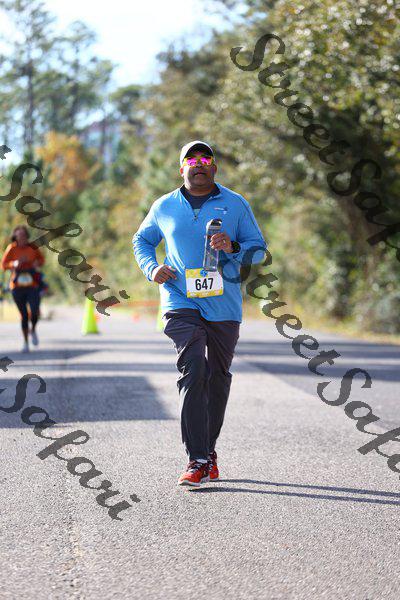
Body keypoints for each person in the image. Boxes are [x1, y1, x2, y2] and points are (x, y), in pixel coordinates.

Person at [132, 140, 267, 487]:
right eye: (191, 160)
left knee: (218, 376)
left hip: (224, 304)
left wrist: (233, 246)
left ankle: (208, 450)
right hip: (180, 299)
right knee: (193, 368)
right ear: (182, 169)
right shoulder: (164, 206)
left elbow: (258, 250)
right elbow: (141, 240)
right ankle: (197, 459)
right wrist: (152, 268)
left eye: (205, 159)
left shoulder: (235, 204)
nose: (199, 164)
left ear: (214, 168)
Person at [1, 225, 45, 352]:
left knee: (35, 311)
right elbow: (3, 265)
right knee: (24, 315)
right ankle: (26, 342)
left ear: (27, 236)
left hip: (32, 284)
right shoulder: (11, 248)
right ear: (15, 237)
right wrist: (14, 263)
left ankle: (33, 330)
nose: (22, 238)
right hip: (17, 286)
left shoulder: (33, 247)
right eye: (19, 236)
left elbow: (41, 260)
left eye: (24, 236)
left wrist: (37, 263)